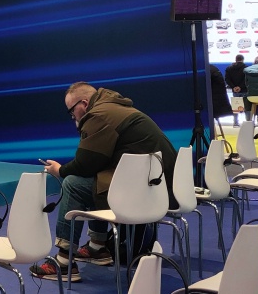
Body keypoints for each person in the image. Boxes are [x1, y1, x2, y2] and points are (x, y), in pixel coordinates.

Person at [30, 83, 178, 283]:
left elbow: (84, 164)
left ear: (84, 104)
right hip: (159, 189)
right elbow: (95, 164)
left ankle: (64, 262)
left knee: (73, 184)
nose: (72, 116)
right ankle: (97, 248)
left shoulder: (98, 115)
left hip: (142, 192)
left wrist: (60, 170)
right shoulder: (115, 107)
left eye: (71, 111)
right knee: (96, 180)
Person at [224, 54, 248, 126]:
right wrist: (240, 87)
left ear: (236, 59)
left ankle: (235, 122)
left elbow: (227, 79)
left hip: (235, 91)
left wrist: (233, 87)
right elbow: (246, 79)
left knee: (235, 106)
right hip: (244, 90)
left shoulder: (229, 68)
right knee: (246, 106)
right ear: (243, 59)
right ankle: (248, 122)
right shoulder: (246, 68)